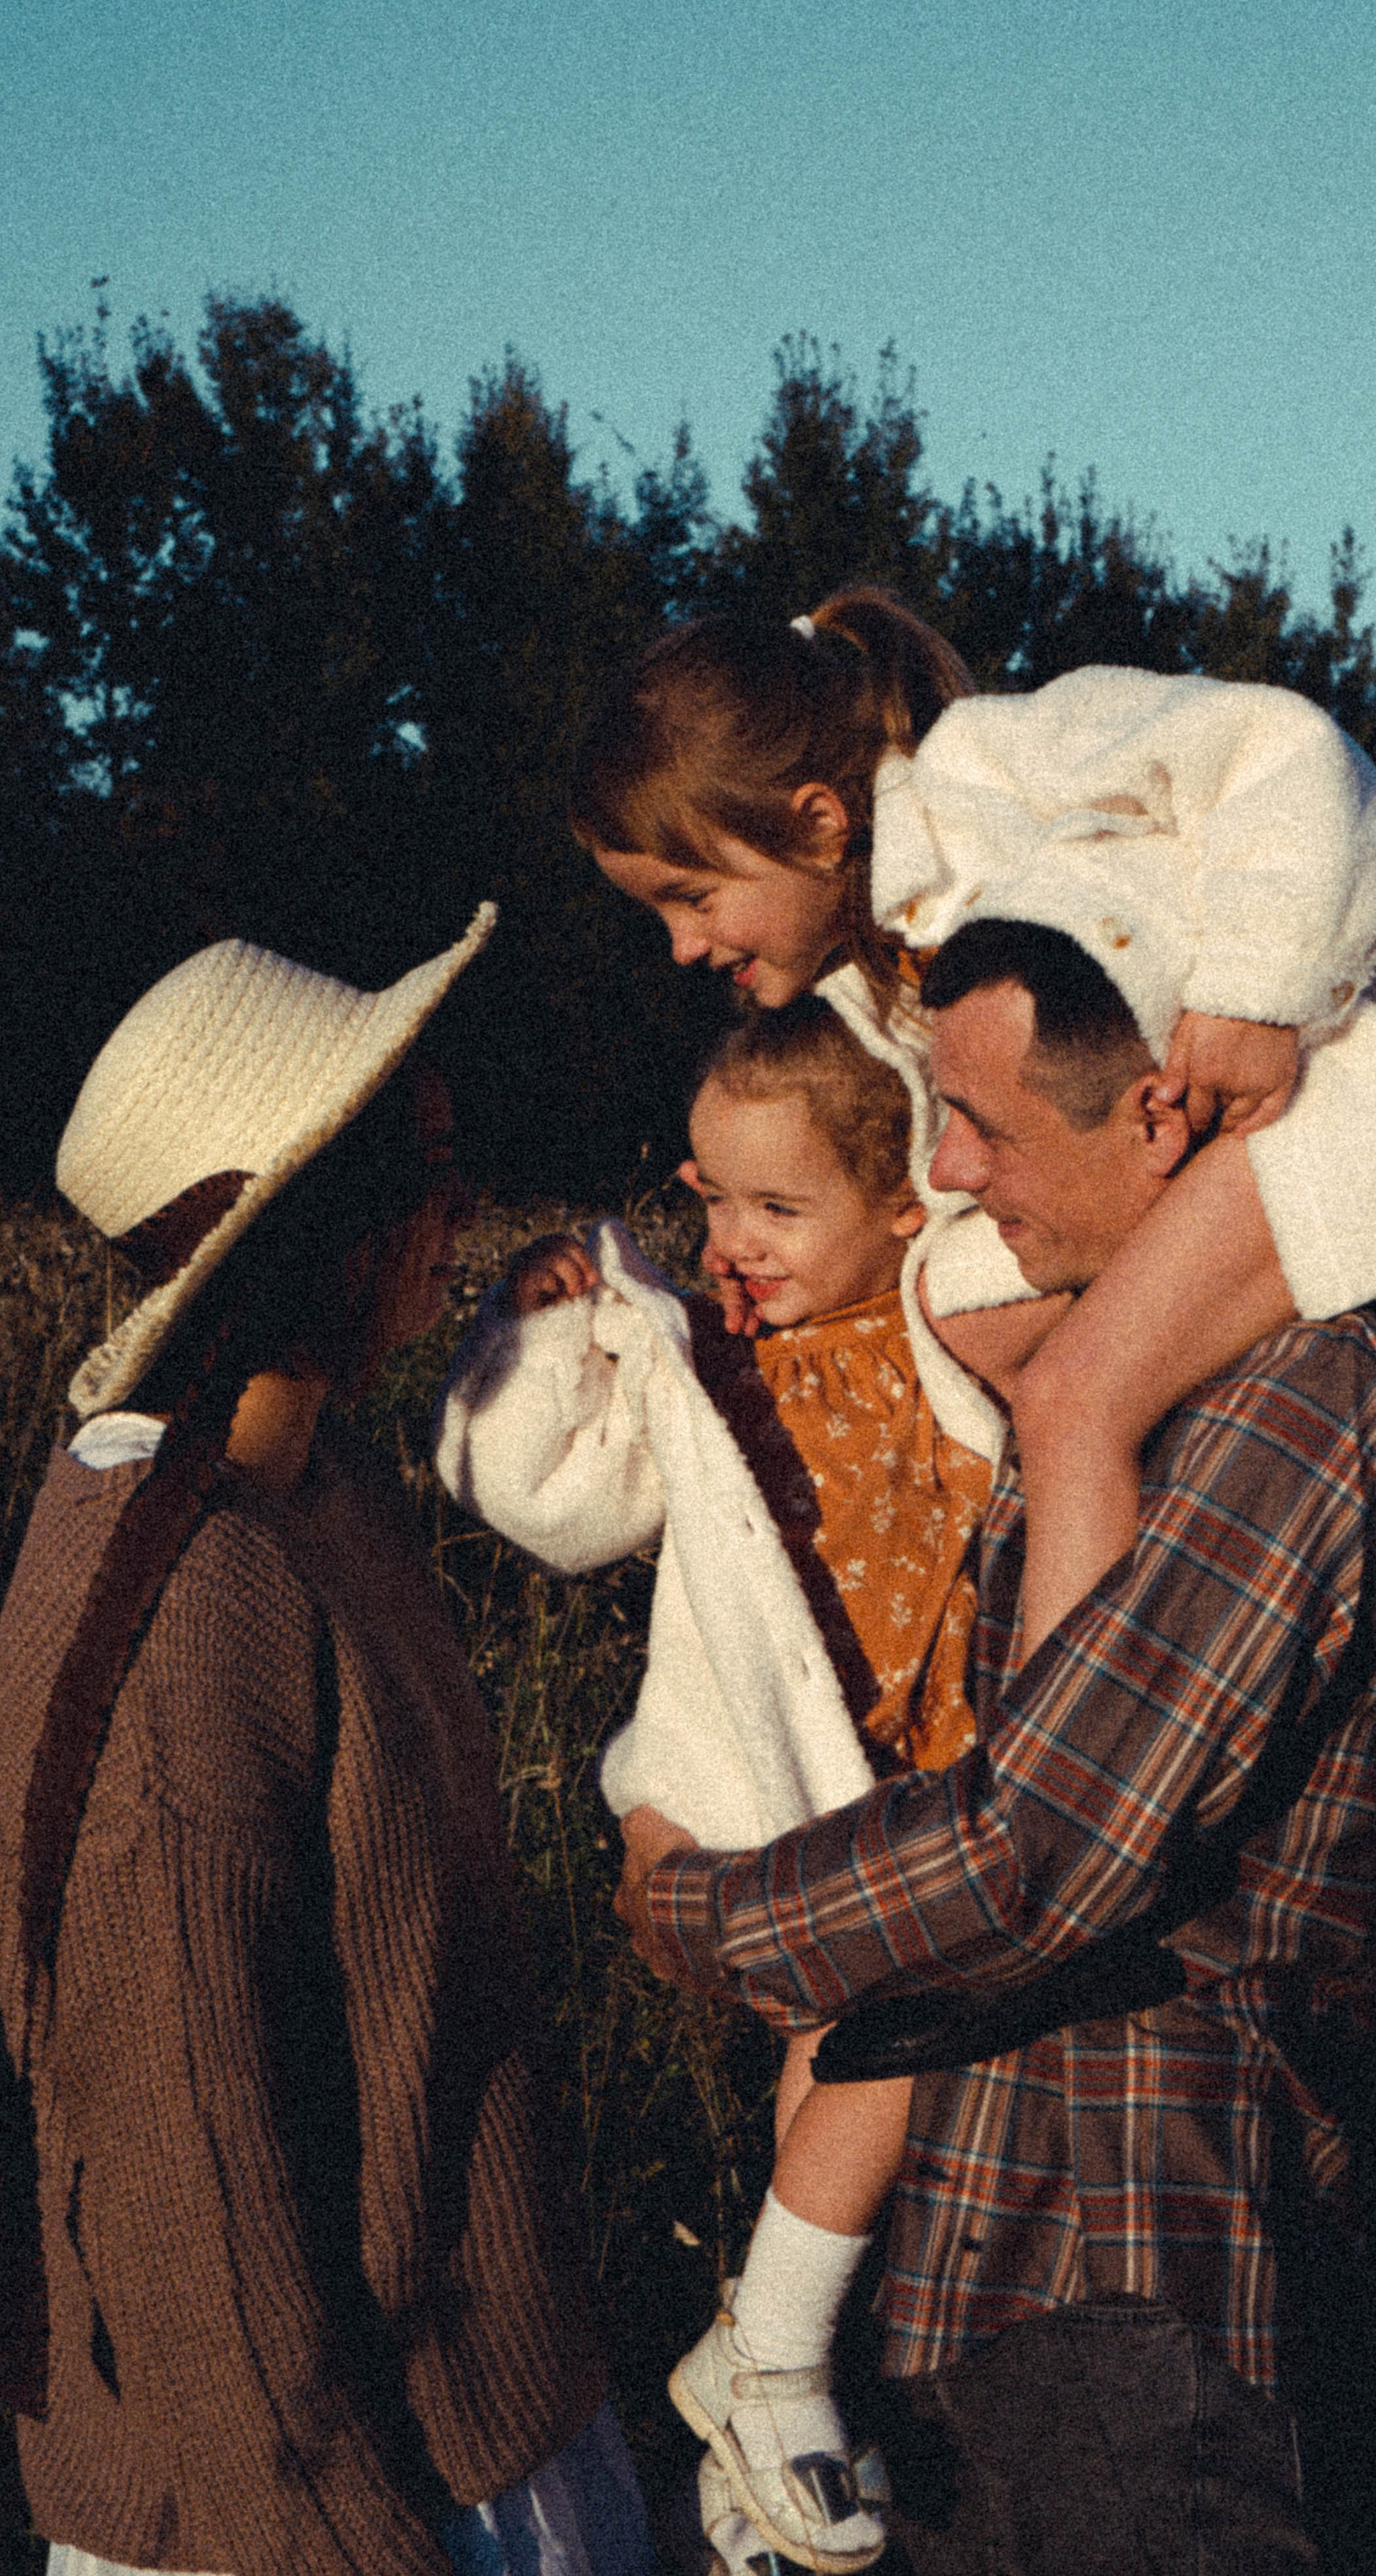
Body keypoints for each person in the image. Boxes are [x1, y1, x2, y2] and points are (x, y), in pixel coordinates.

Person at [613, 916, 1376, 2574]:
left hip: (1134, 2274)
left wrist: (692, 1909)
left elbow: (1039, 1855)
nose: (945, 1174)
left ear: (1162, 1109)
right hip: (988, 2254)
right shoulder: (1120, 1361)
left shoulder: (1305, 1400)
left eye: (988, 1130)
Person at [568, 588, 1376, 1664]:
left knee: (1075, 1398)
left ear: (820, 823)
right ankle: (1148, 1597)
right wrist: (785, 1260)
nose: (682, 946)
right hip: (1215, 1130)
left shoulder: (991, 761)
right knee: (961, 1311)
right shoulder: (875, 973)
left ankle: (1054, 1796)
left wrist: (1258, 991)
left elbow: (1286, 750)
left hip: (1343, 1100)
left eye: (693, 896)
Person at [0, 914, 656, 2576]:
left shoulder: (317, 1486)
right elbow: (186, 2189)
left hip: (480, 2431)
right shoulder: (178, 1616)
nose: (462, 1206)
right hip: (301, 2512)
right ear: (318, 1222)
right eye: (426, 1171)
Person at [436, 998, 997, 2573]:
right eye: (710, 1201)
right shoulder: (705, 1367)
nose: (732, 1241)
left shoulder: (946, 1319)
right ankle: (775, 2360)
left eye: (777, 1206)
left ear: (909, 1205)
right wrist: (548, 1333)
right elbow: (532, 1495)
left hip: (921, 1769)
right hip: (775, 1781)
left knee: (871, 2087)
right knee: (879, 2038)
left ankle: (767, 2421)